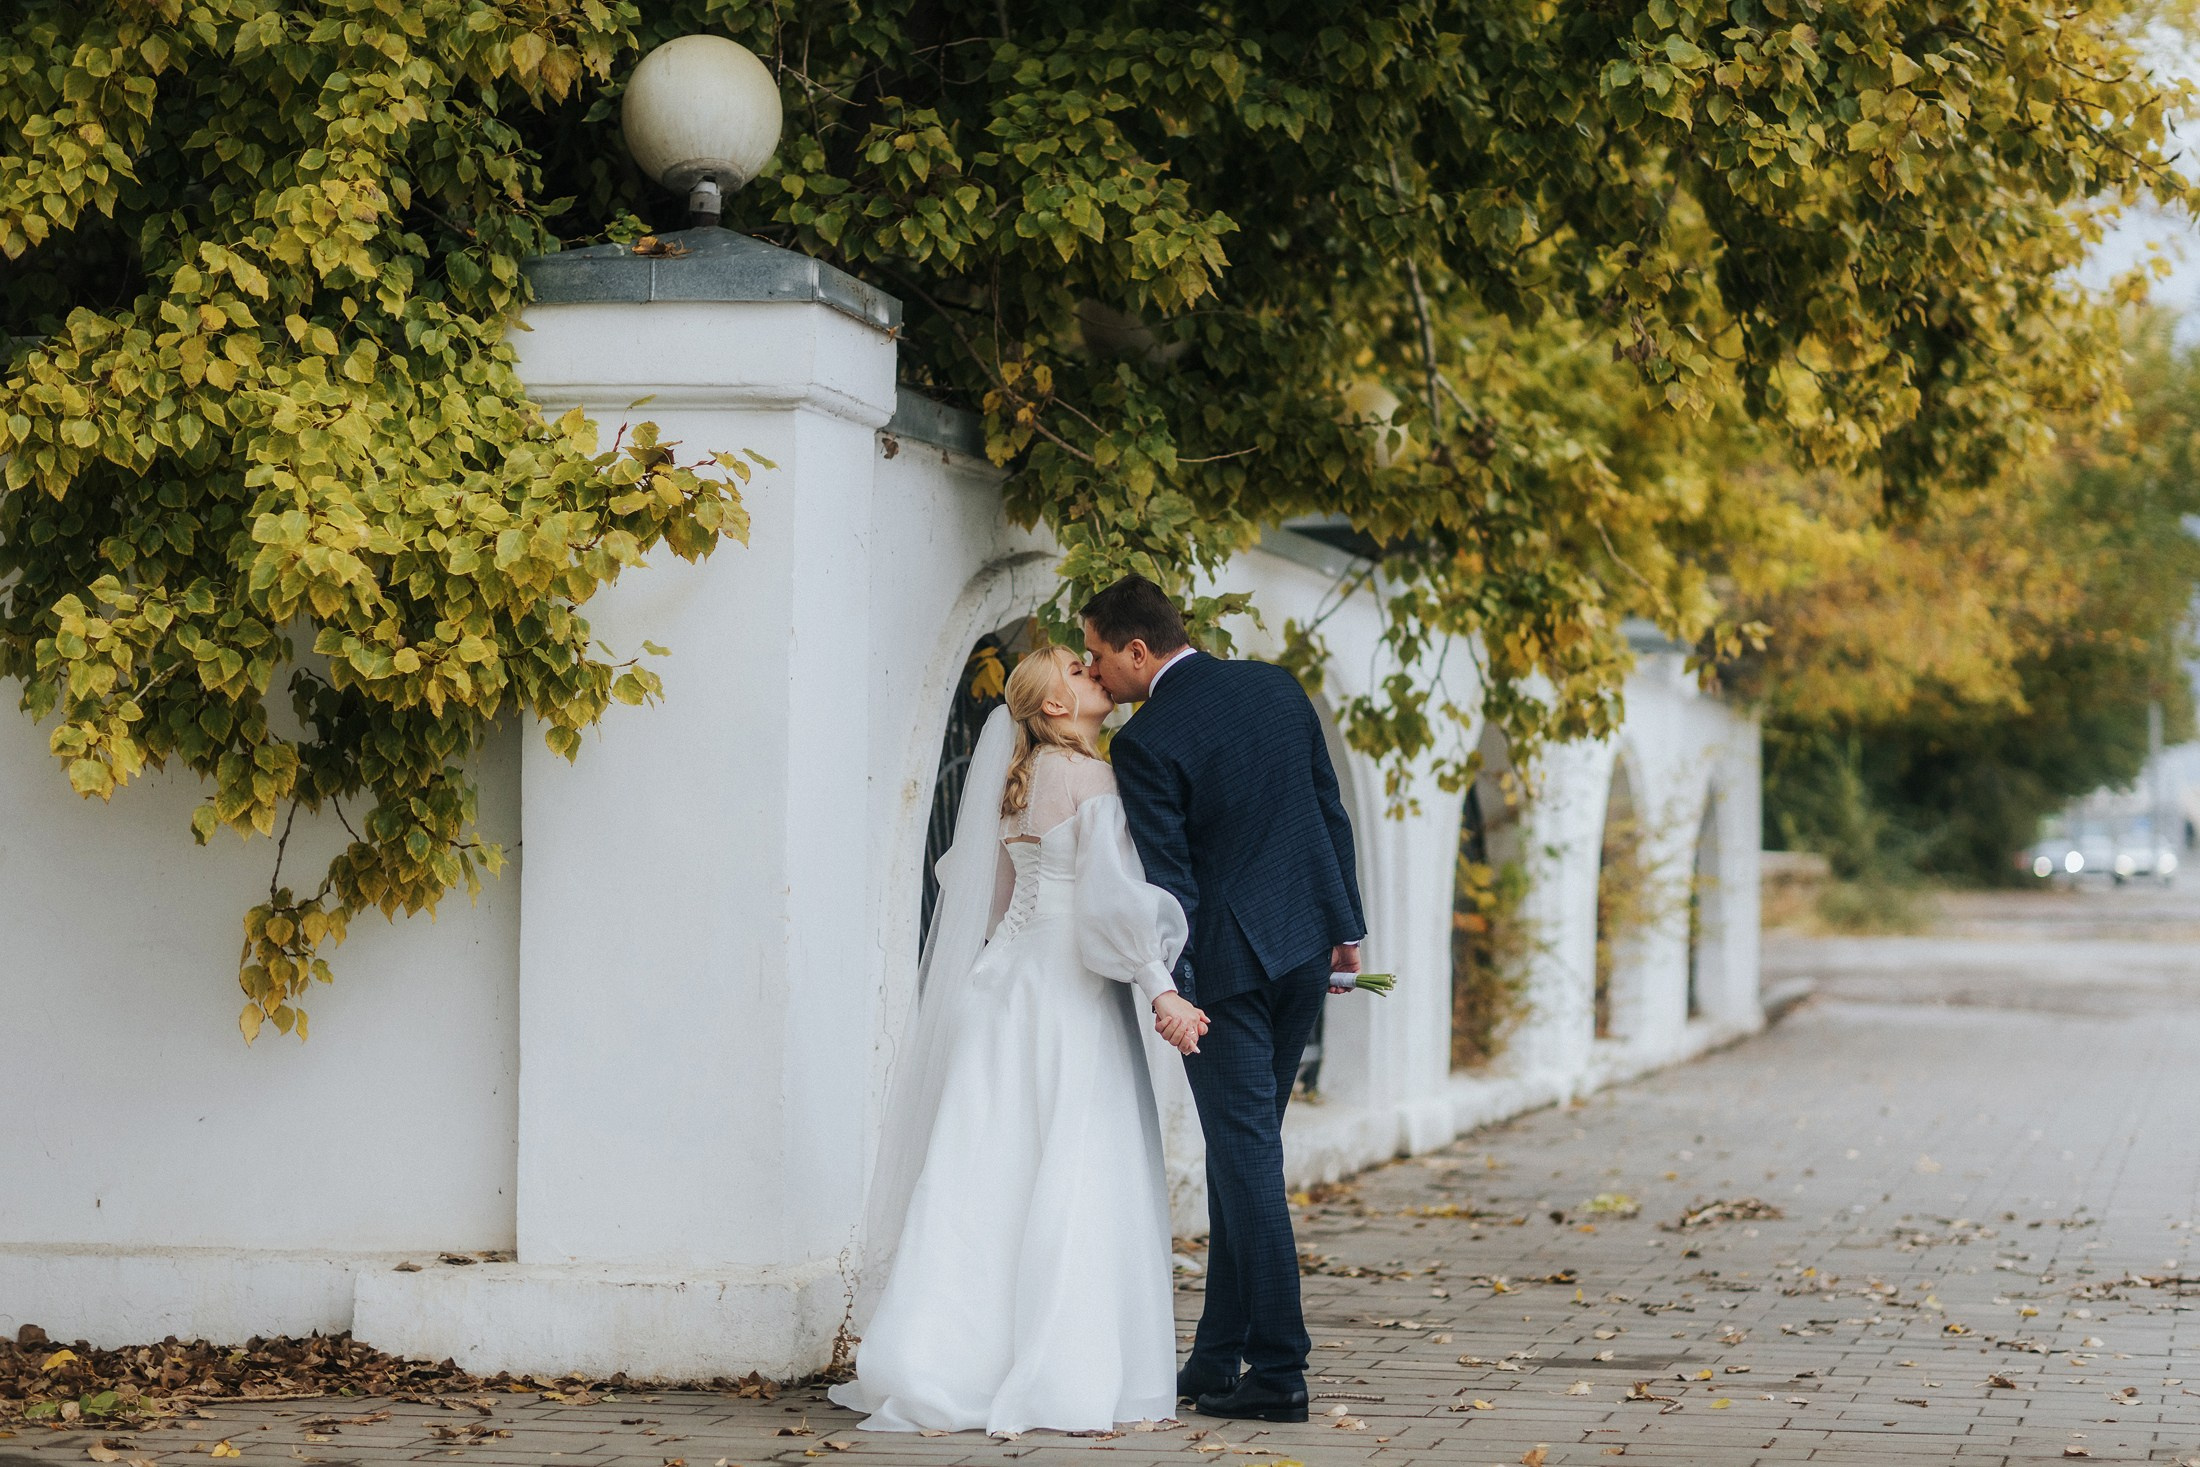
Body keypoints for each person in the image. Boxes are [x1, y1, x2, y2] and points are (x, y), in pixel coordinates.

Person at [830, 646, 1209, 1437]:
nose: (1093, 671)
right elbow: (1109, 903)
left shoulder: (1019, 784)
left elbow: (997, 903)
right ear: (1058, 707)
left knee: (987, 1174)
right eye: (1078, 669)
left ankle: (944, 1353)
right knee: (1075, 1166)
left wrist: (988, 982)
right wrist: (1160, 985)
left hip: (1005, 988)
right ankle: (1061, 1369)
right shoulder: (1090, 778)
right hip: (1073, 991)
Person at [1081, 575, 1368, 1426]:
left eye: (1099, 655)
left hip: (1232, 974)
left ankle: (1279, 1369)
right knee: (1245, 1153)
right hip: (1304, 946)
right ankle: (1215, 1356)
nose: (1097, 673)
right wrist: (1345, 928)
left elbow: (1174, 886)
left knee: (1246, 1160)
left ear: (1139, 650)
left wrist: (1178, 996)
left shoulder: (1146, 741)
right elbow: (1328, 808)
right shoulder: (1275, 685)